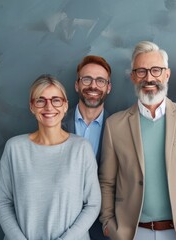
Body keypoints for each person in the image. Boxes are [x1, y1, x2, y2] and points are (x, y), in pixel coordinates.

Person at [99, 41, 176, 240]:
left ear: (166, 74)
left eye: (156, 70)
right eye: (141, 71)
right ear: (133, 76)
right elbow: (107, 182)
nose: (149, 78)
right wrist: (108, 223)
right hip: (132, 233)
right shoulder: (114, 125)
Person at [0, 74, 101, 240]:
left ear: (65, 105)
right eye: (40, 100)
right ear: (32, 106)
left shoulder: (81, 149)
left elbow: (93, 204)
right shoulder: (14, 148)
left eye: (56, 100)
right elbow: (4, 203)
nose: (48, 106)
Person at [62, 55, 111, 240]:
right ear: (77, 85)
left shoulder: (120, 128)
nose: (93, 86)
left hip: (103, 228)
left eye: (100, 80)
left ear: (108, 87)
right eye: (87, 79)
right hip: (62, 224)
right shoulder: (56, 124)